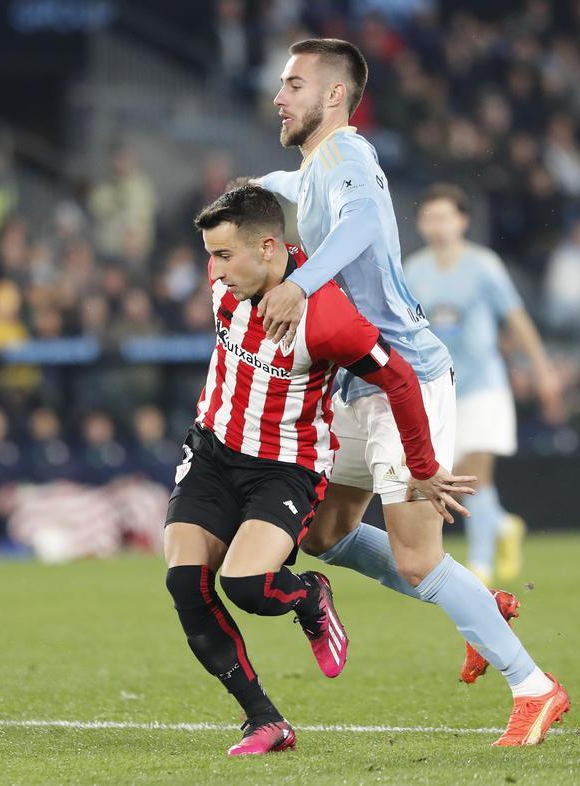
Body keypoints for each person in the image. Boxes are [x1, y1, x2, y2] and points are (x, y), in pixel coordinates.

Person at [253, 39, 568, 745]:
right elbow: (299, 188)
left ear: (334, 95)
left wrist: (300, 283)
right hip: (356, 386)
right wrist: (254, 186)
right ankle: (480, 606)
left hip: (405, 380)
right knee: (322, 535)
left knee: (419, 557)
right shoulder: (316, 168)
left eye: (294, 84)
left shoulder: (349, 156)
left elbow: (363, 223)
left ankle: (535, 687)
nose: (280, 96)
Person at [166, 186, 461, 756]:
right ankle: (264, 721)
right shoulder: (227, 280)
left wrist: (422, 468)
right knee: (185, 581)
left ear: (269, 248)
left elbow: (398, 378)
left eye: (224, 255)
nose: (213, 270)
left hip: (284, 467)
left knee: (247, 585)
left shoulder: (326, 317)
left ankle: (309, 597)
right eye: (210, 255)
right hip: (210, 451)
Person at [404, 184, 564, 592]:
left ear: (462, 222)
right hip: (441, 389)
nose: (437, 226)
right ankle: (504, 525)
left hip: (484, 385)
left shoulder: (484, 265)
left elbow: (517, 318)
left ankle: (480, 566)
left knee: (475, 474)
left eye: (444, 217)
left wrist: (542, 369)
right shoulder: (413, 270)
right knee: (457, 476)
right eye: (430, 218)